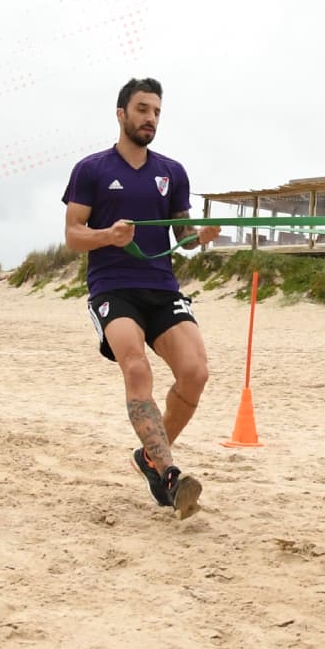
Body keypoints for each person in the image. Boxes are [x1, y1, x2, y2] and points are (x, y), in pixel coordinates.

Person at [61, 77, 220, 520]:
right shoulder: (91, 170)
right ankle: (169, 473)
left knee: (196, 373)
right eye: (143, 110)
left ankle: (149, 456)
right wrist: (107, 236)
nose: (150, 118)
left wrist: (201, 237)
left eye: (156, 112)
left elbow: (183, 236)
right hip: (113, 288)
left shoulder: (172, 172)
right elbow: (73, 235)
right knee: (136, 366)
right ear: (121, 114)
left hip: (162, 287)